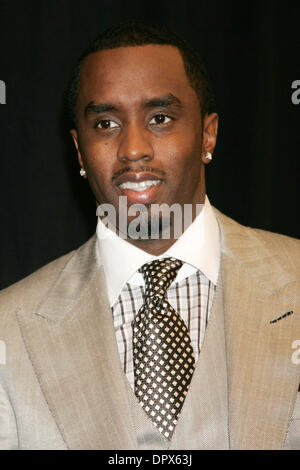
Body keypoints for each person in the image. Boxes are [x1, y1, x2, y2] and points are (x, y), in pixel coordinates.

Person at [0, 21, 299, 450]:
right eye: (105, 123)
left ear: (208, 133)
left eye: (160, 118)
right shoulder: (9, 330)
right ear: (79, 149)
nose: (133, 148)